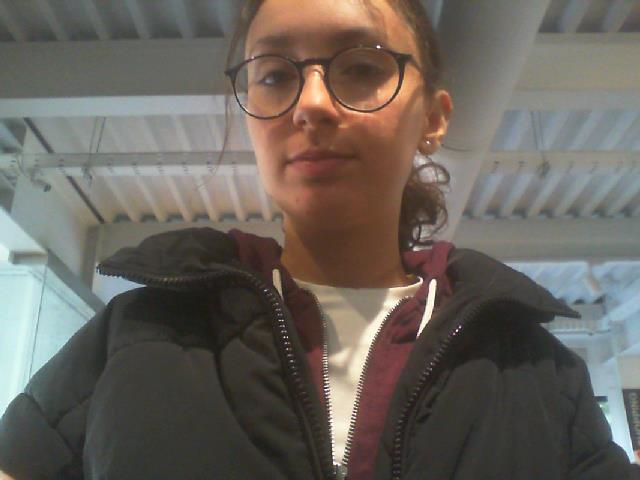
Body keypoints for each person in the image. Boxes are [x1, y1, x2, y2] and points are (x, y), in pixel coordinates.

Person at [0, 0, 637, 479]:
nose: (310, 104)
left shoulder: (538, 375)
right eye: (274, 75)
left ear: (434, 118)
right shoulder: (137, 335)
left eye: (360, 67)